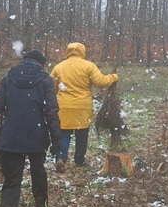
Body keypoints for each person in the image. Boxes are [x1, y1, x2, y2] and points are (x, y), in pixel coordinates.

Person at [0, 50, 62, 207]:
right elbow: (51, 111)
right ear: (42, 64)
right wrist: (57, 139)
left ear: (23, 61)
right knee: (38, 172)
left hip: (11, 137)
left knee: (12, 182)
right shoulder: (45, 80)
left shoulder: (8, 77)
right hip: (36, 138)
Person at [49, 42, 118, 172]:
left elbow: (52, 88)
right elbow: (100, 82)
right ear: (83, 51)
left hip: (64, 106)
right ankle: (79, 160)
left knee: (64, 134)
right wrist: (113, 77)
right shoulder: (89, 66)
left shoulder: (58, 67)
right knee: (82, 134)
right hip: (83, 106)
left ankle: (61, 158)